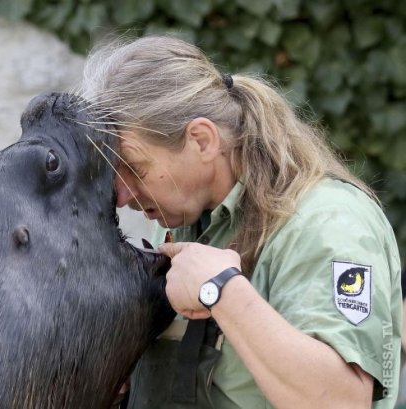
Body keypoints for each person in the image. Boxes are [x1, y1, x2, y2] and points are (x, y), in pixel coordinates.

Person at [80, 35, 402, 409]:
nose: (121, 196)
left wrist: (221, 290)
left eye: (136, 170)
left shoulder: (329, 223)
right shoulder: (182, 216)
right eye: (115, 175)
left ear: (202, 140)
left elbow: (341, 402)